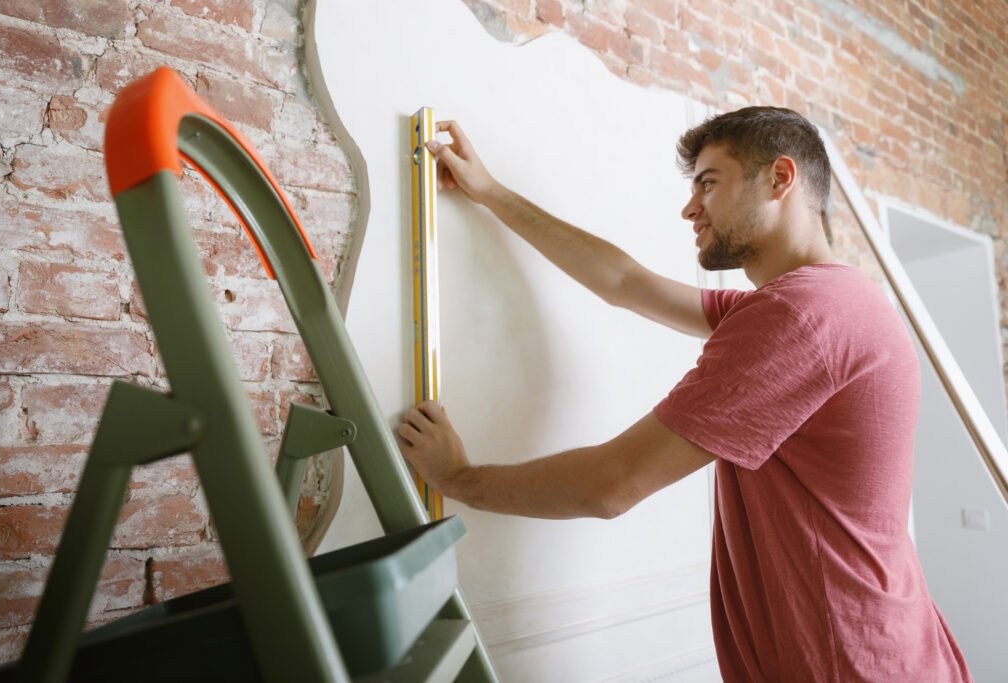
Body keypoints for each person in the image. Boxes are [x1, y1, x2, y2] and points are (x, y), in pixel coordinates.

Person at [398, 107, 971, 682]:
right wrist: (492, 193)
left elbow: (612, 485)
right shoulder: (836, 302)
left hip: (844, 663)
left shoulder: (798, 317)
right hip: (889, 651)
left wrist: (458, 478)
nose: (690, 208)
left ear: (780, 178)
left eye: (709, 184)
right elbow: (626, 282)